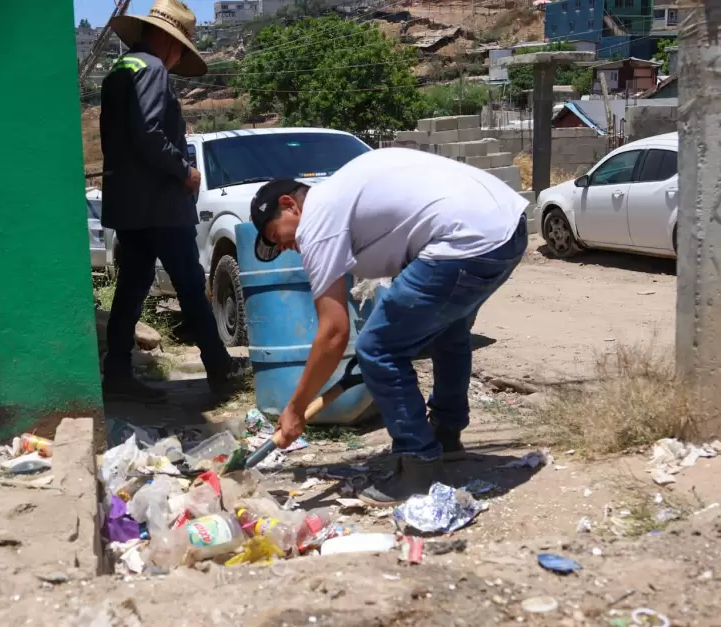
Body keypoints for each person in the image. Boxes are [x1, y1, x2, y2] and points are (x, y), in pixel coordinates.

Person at [249, 147, 529, 505]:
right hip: (507, 227)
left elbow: (334, 333)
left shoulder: (317, 220)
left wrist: (295, 407)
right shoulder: (345, 193)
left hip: (464, 240)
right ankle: (445, 435)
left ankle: (419, 466)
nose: (286, 247)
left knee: (377, 349)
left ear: (290, 205)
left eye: (276, 235)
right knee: (449, 330)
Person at [100, 0, 239, 401]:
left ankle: (118, 375)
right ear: (166, 38)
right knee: (191, 285)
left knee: (131, 286)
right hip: (161, 202)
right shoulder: (153, 69)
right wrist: (185, 171)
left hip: (129, 203)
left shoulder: (120, 70)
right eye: (180, 46)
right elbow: (148, 131)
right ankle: (219, 369)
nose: (178, 56)